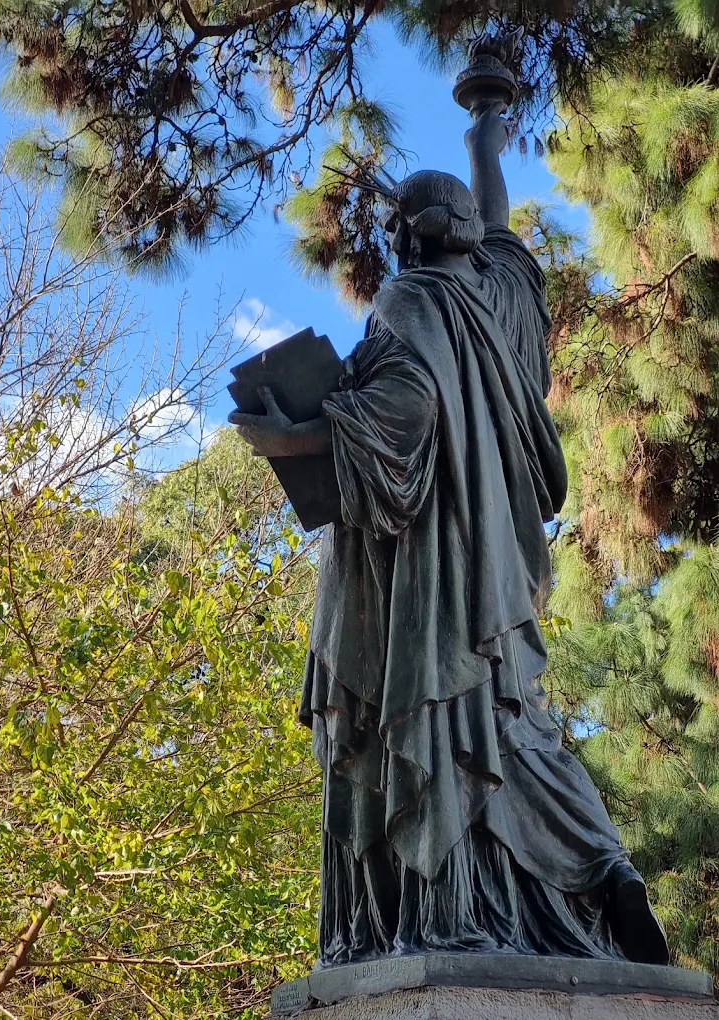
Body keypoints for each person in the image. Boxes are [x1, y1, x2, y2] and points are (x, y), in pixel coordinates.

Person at [229, 104, 669, 967]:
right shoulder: (505, 300)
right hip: (493, 573)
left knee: (435, 728)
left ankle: (448, 912)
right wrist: (484, 141)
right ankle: (601, 867)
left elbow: (407, 412)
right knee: (508, 730)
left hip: (429, 571)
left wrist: (293, 439)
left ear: (408, 236)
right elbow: (500, 228)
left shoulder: (409, 299)